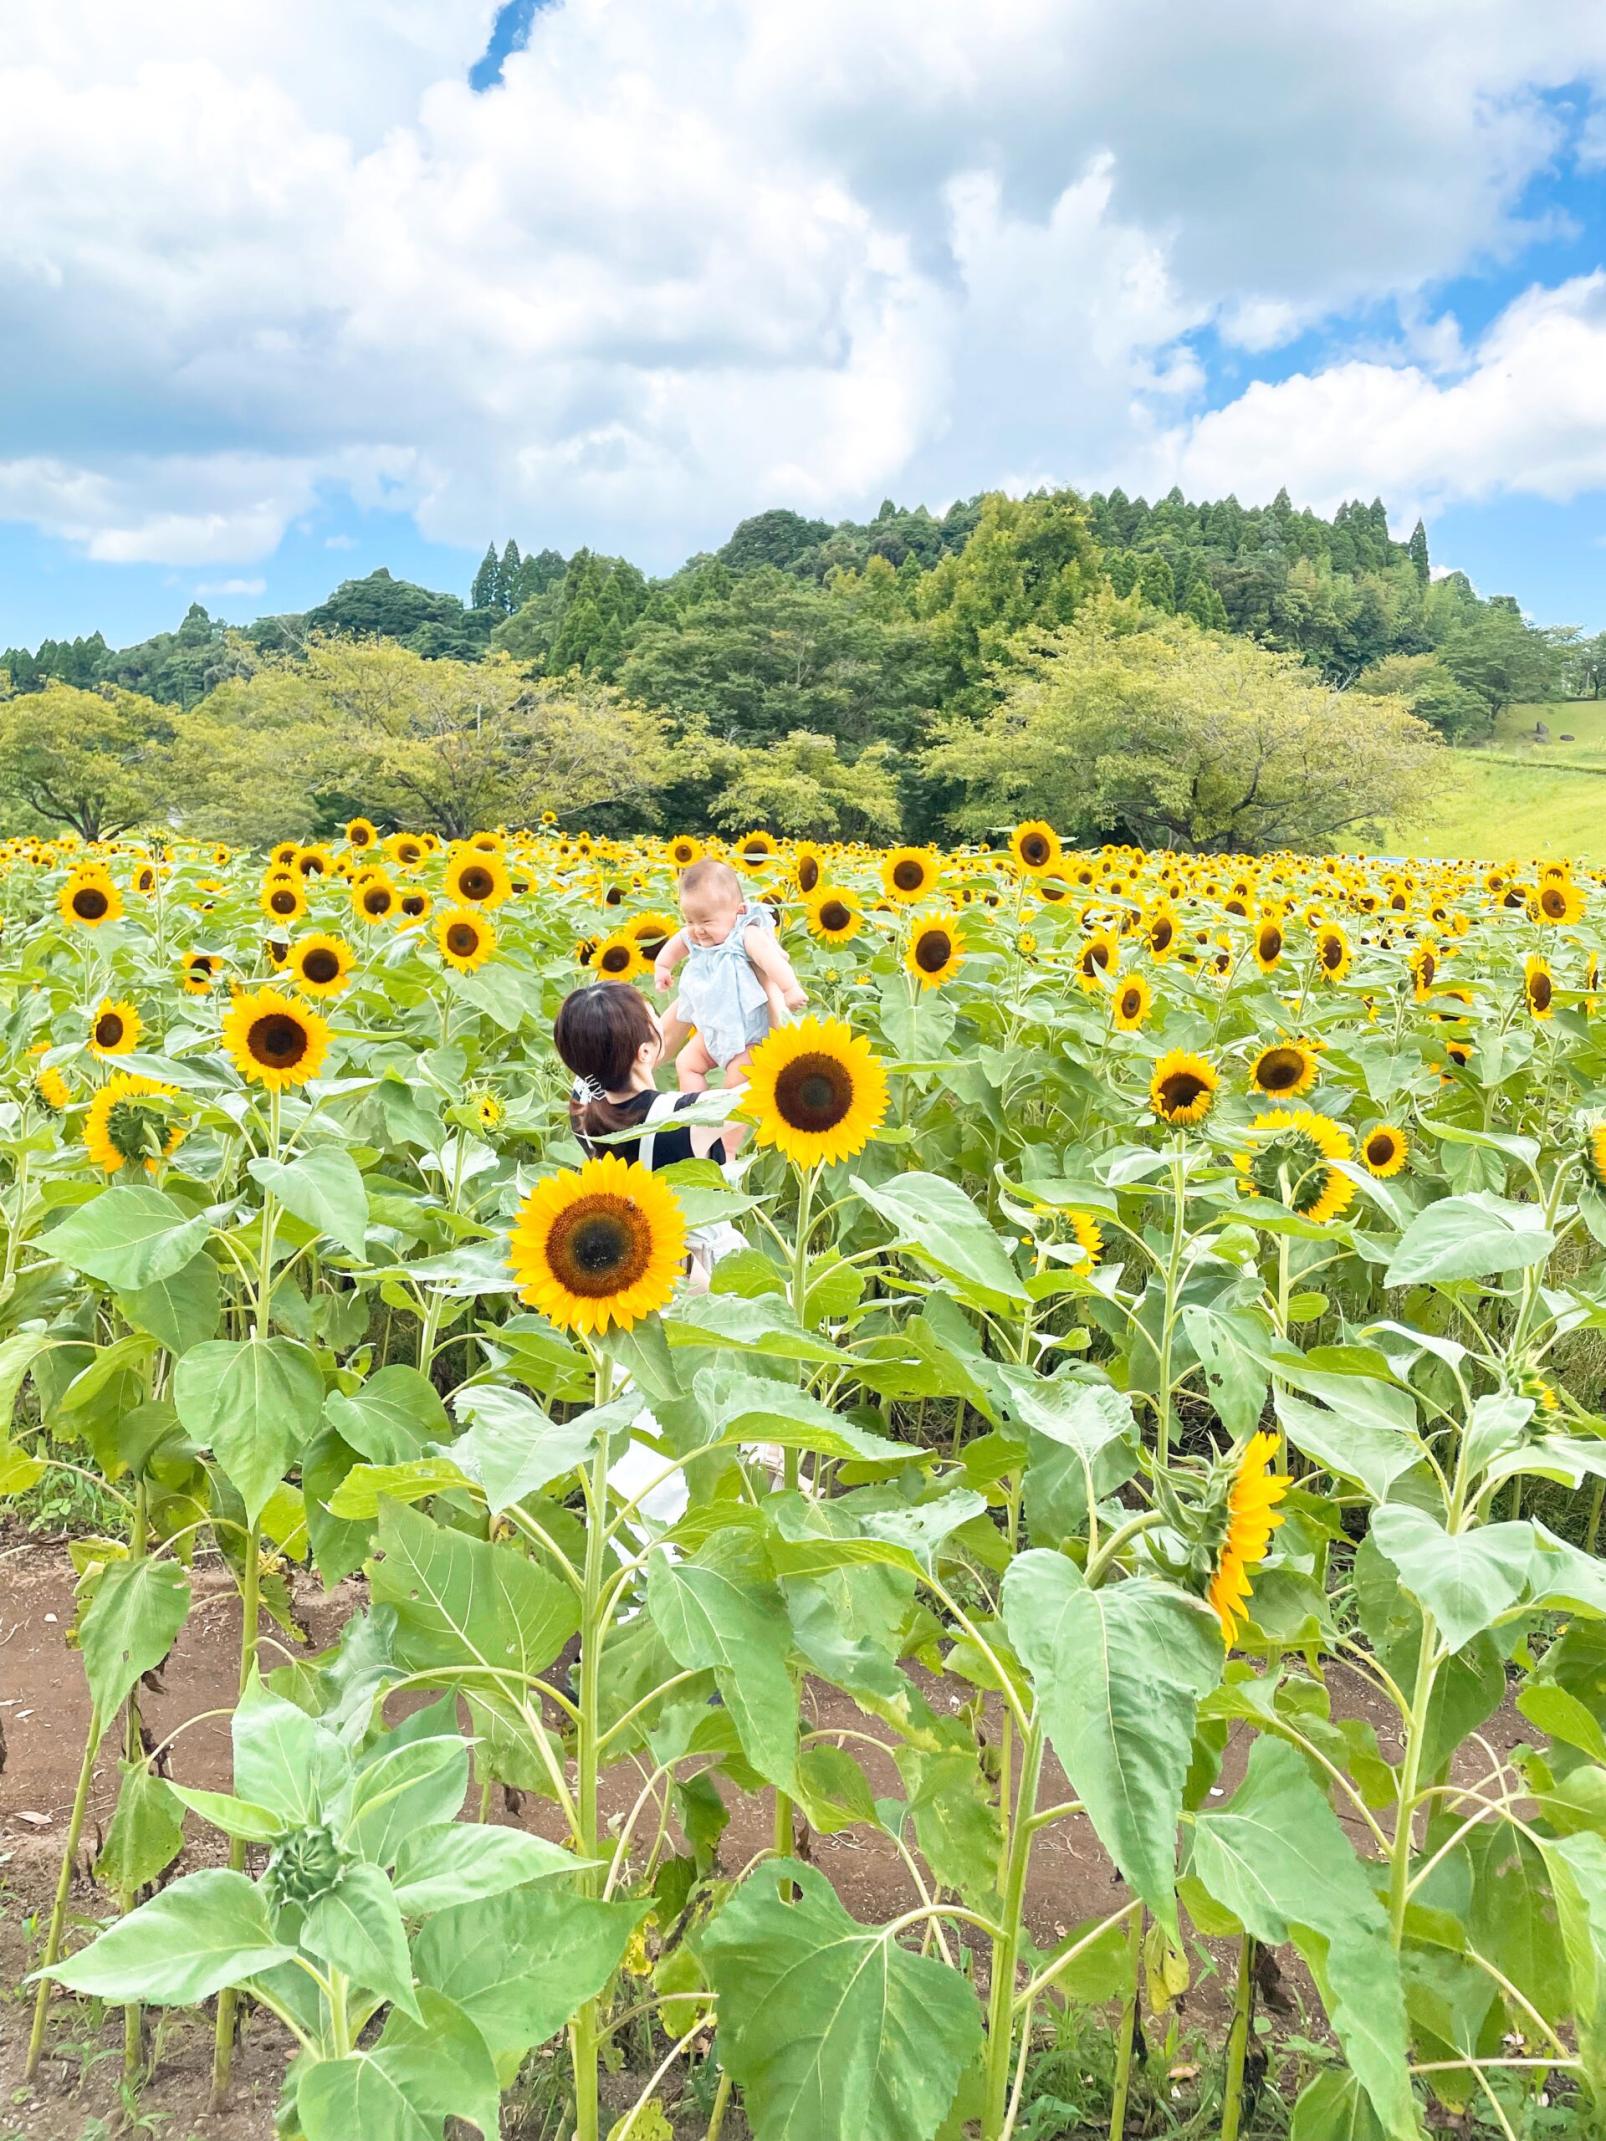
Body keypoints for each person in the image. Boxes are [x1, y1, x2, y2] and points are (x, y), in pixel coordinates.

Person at [653, 857, 806, 1092]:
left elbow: (771, 959)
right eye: (690, 920)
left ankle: (728, 1129)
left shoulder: (744, 935)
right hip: (713, 1031)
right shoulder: (694, 936)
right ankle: (695, 1114)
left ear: (739, 911)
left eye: (706, 920)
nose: (698, 929)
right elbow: (674, 947)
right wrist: (663, 968)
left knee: (735, 1088)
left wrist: (790, 989)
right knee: (686, 1064)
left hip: (749, 1036)